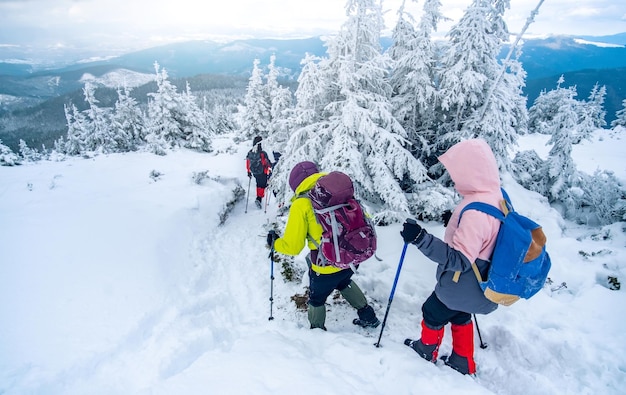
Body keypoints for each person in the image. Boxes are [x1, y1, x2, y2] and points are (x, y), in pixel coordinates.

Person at [400, 138, 501, 375]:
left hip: (462, 283)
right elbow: (489, 235)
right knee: (460, 313)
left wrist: (420, 238)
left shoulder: (476, 211)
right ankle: (463, 360)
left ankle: (426, 349)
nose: (455, 177)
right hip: (481, 283)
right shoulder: (496, 196)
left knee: (432, 311)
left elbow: (459, 260)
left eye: (458, 171)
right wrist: (457, 225)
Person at [267, 161, 380, 331]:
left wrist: (275, 244)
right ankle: (369, 317)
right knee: (343, 281)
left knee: (316, 299)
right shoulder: (340, 192)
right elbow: (364, 218)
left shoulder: (301, 204)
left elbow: (293, 247)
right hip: (351, 256)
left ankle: (317, 333)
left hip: (325, 264)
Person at [246, 135, 272, 209]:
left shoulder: (250, 152)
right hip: (263, 171)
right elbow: (266, 163)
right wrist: (270, 168)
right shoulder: (262, 153)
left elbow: (248, 163)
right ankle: (259, 198)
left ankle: (259, 197)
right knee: (262, 184)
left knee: (259, 184)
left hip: (255, 172)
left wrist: (248, 172)